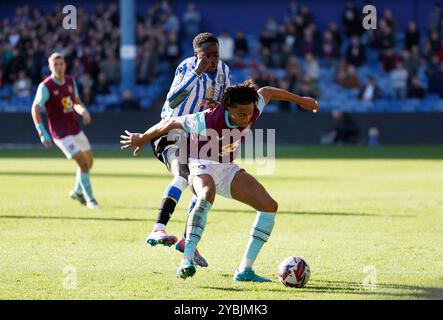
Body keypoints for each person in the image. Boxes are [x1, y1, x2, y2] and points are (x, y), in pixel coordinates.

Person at [120, 80, 318, 282]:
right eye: (241, 114)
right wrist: (143, 137)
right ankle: (186, 259)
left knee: (269, 206)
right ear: (228, 108)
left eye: (250, 113)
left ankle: (244, 270)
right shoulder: (207, 119)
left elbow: (266, 91)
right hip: (200, 164)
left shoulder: (251, 108)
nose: (247, 118)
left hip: (227, 168)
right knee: (207, 194)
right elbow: (170, 123)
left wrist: (300, 100)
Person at [147, 32, 231, 268]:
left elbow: (225, 99)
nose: (213, 60)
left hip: (198, 134)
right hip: (170, 129)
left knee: (202, 186)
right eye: (207, 55)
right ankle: (158, 228)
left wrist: (220, 106)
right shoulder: (187, 67)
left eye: (216, 55)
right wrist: (197, 73)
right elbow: (173, 101)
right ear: (197, 55)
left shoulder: (224, 71)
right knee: (182, 174)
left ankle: (187, 241)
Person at [31, 52, 100, 209]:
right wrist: (41, 131)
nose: (59, 67)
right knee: (82, 162)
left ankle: (76, 191)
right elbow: (35, 107)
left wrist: (84, 111)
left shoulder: (70, 81)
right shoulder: (46, 86)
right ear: (50, 67)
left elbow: (75, 101)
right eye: (55, 64)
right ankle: (90, 200)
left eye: (61, 64)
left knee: (89, 162)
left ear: (65, 65)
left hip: (74, 128)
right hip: (60, 133)